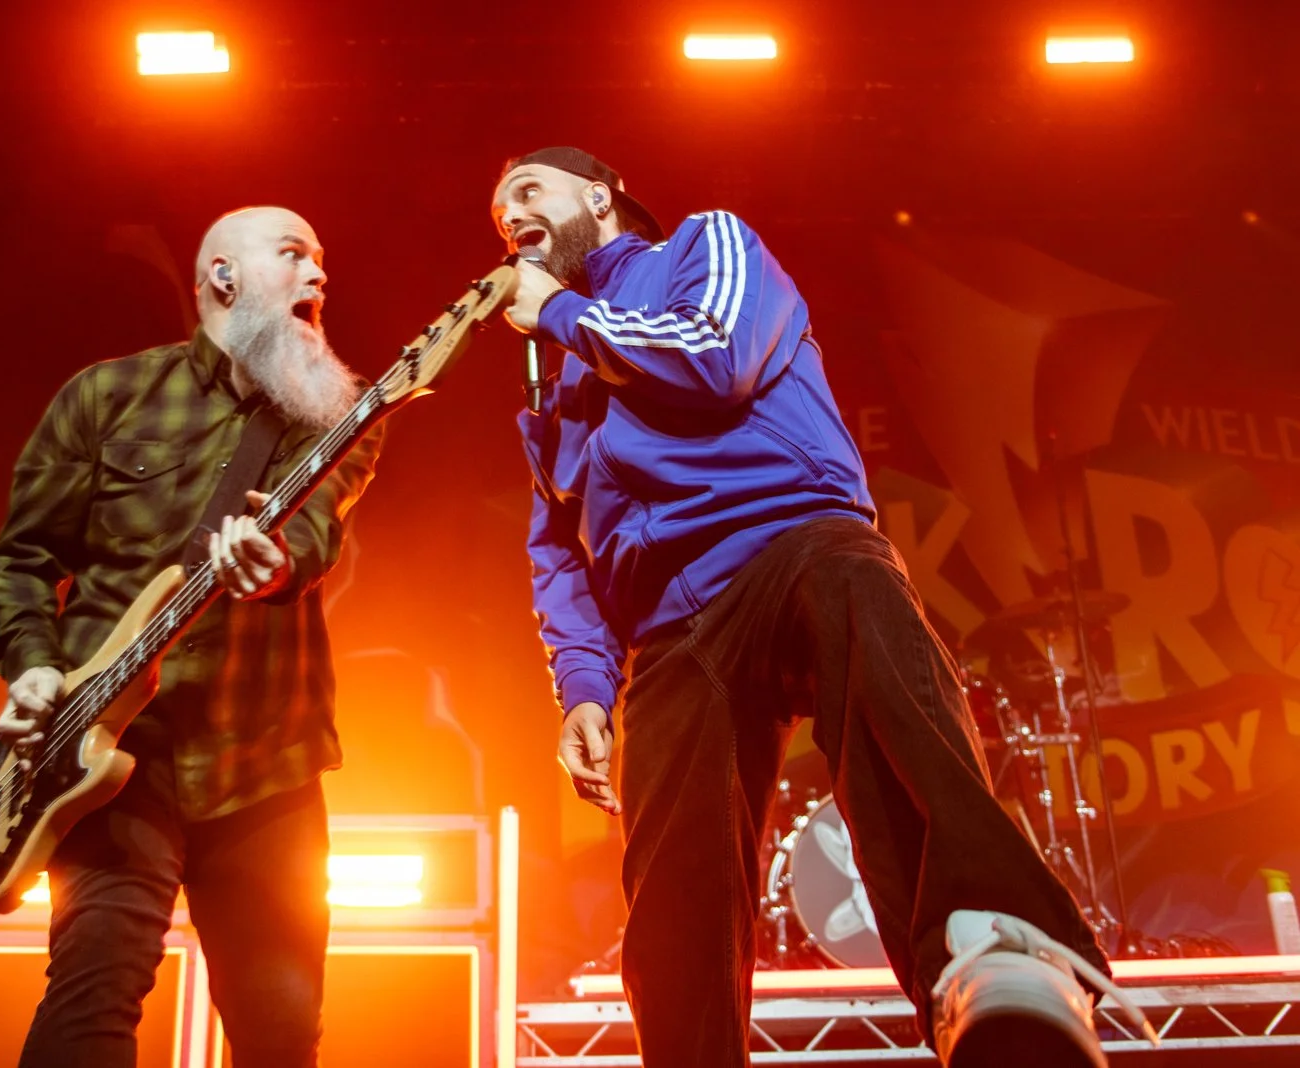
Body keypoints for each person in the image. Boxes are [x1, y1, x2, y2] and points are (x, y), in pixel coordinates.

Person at [489, 147, 1148, 1067]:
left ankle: (1000, 958)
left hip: (789, 540)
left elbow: (715, 360)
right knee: (672, 894)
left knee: (866, 622)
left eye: (528, 192)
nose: (510, 216)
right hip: (673, 632)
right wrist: (585, 689)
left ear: (599, 197)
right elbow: (559, 551)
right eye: (498, 211)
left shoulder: (700, 247)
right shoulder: (550, 383)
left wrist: (561, 313)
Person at [0, 206, 383, 1067]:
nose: (319, 277)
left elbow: (310, 542)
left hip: (264, 761)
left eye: (322, 262)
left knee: (279, 1034)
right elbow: (21, 559)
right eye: (294, 256)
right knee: (90, 997)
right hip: (105, 758)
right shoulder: (105, 395)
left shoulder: (339, 416)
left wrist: (268, 564)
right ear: (222, 278)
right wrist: (35, 670)